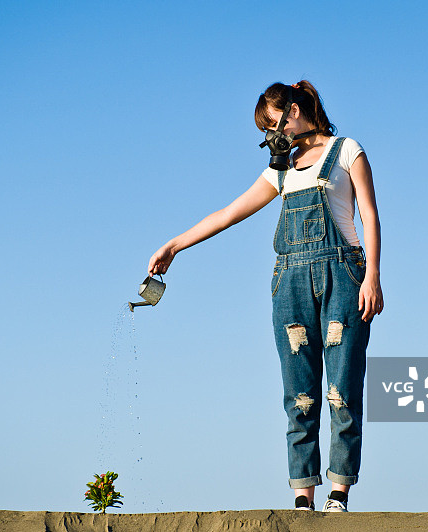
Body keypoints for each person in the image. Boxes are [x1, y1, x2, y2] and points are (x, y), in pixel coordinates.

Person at [147, 80, 383, 512]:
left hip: (343, 276)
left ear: (293, 110)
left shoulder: (346, 150)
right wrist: (174, 246)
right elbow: (228, 214)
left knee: (343, 391)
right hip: (290, 284)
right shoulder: (281, 169)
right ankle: (302, 498)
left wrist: (373, 278)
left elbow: (369, 215)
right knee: (299, 396)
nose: (272, 134)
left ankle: (338, 494)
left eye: (273, 123)